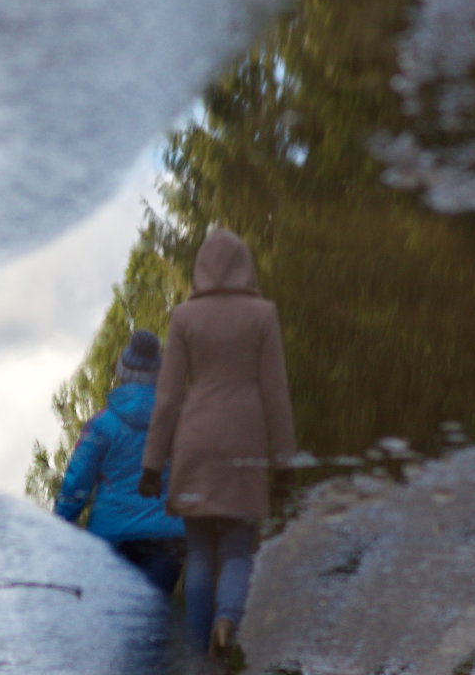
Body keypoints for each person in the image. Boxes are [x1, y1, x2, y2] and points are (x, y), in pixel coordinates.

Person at [138, 228, 297, 662]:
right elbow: (275, 393)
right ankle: (226, 621)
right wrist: (284, 463)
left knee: (201, 555)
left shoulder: (185, 318)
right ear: (244, 264)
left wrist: (152, 465)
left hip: (195, 442)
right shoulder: (263, 315)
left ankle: (197, 656)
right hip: (244, 443)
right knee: (237, 549)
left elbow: (168, 397)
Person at [53, 329, 186, 595]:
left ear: (122, 373)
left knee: (115, 621)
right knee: (151, 620)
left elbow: (77, 485)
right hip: (167, 536)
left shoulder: (101, 425)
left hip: (111, 537)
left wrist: (59, 525)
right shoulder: (178, 423)